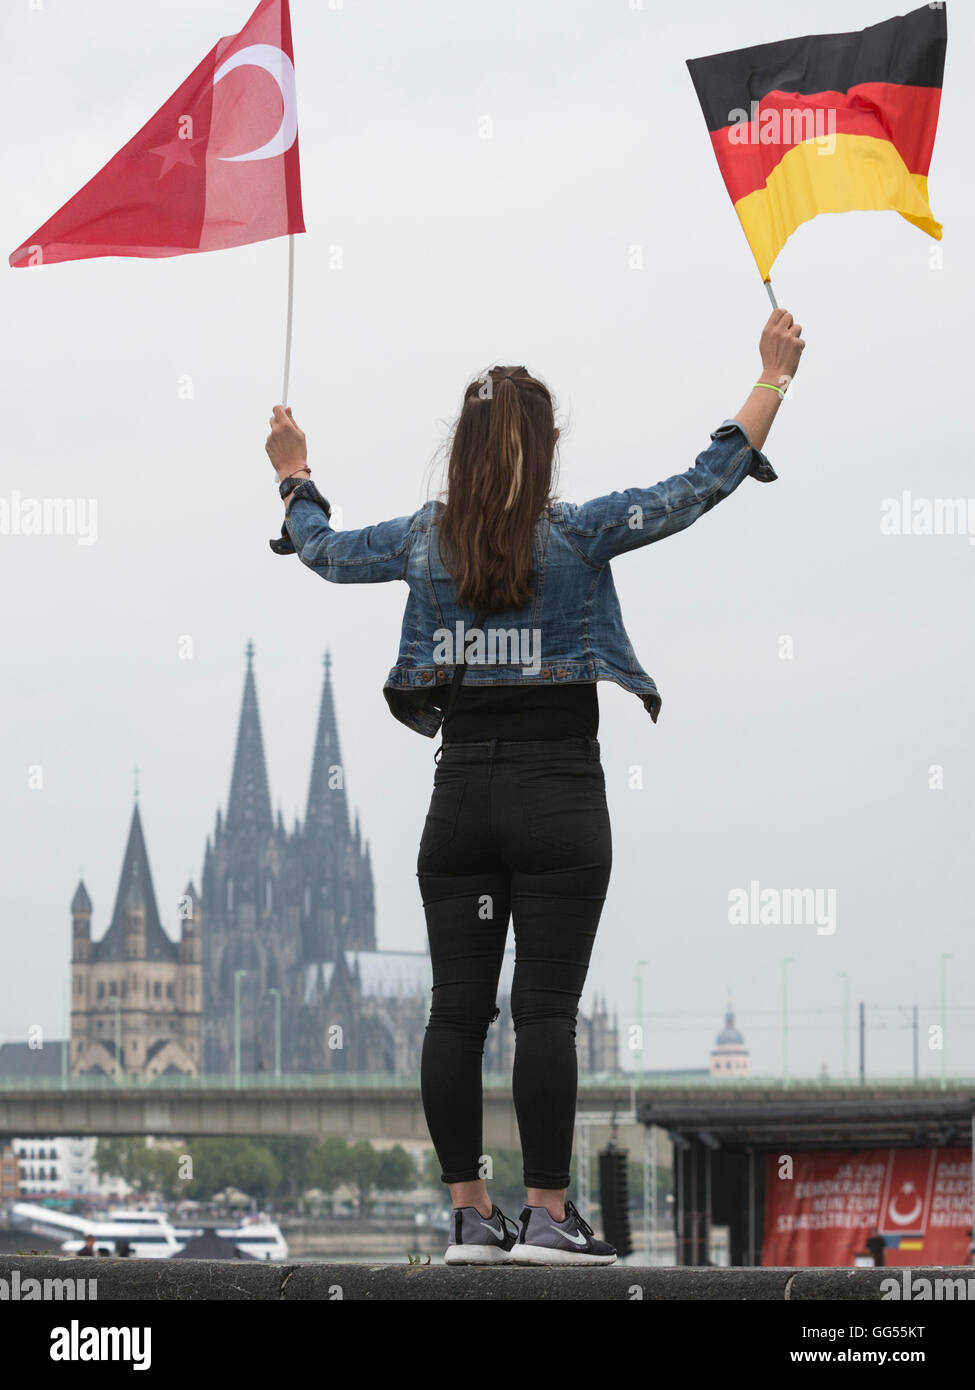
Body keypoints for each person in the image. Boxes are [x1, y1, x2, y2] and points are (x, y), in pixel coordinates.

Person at [266, 310, 805, 1266]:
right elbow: (694, 489)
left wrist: (293, 472)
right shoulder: (582, 533)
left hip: (461, 802)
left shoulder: (420, 544)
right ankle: (549, 1215)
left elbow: (323, 550)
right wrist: (771, 381)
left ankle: (472, 1217)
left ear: (461, 450)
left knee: (454, 1012)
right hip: (559, 797)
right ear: (548, 448)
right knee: (544, 1013)